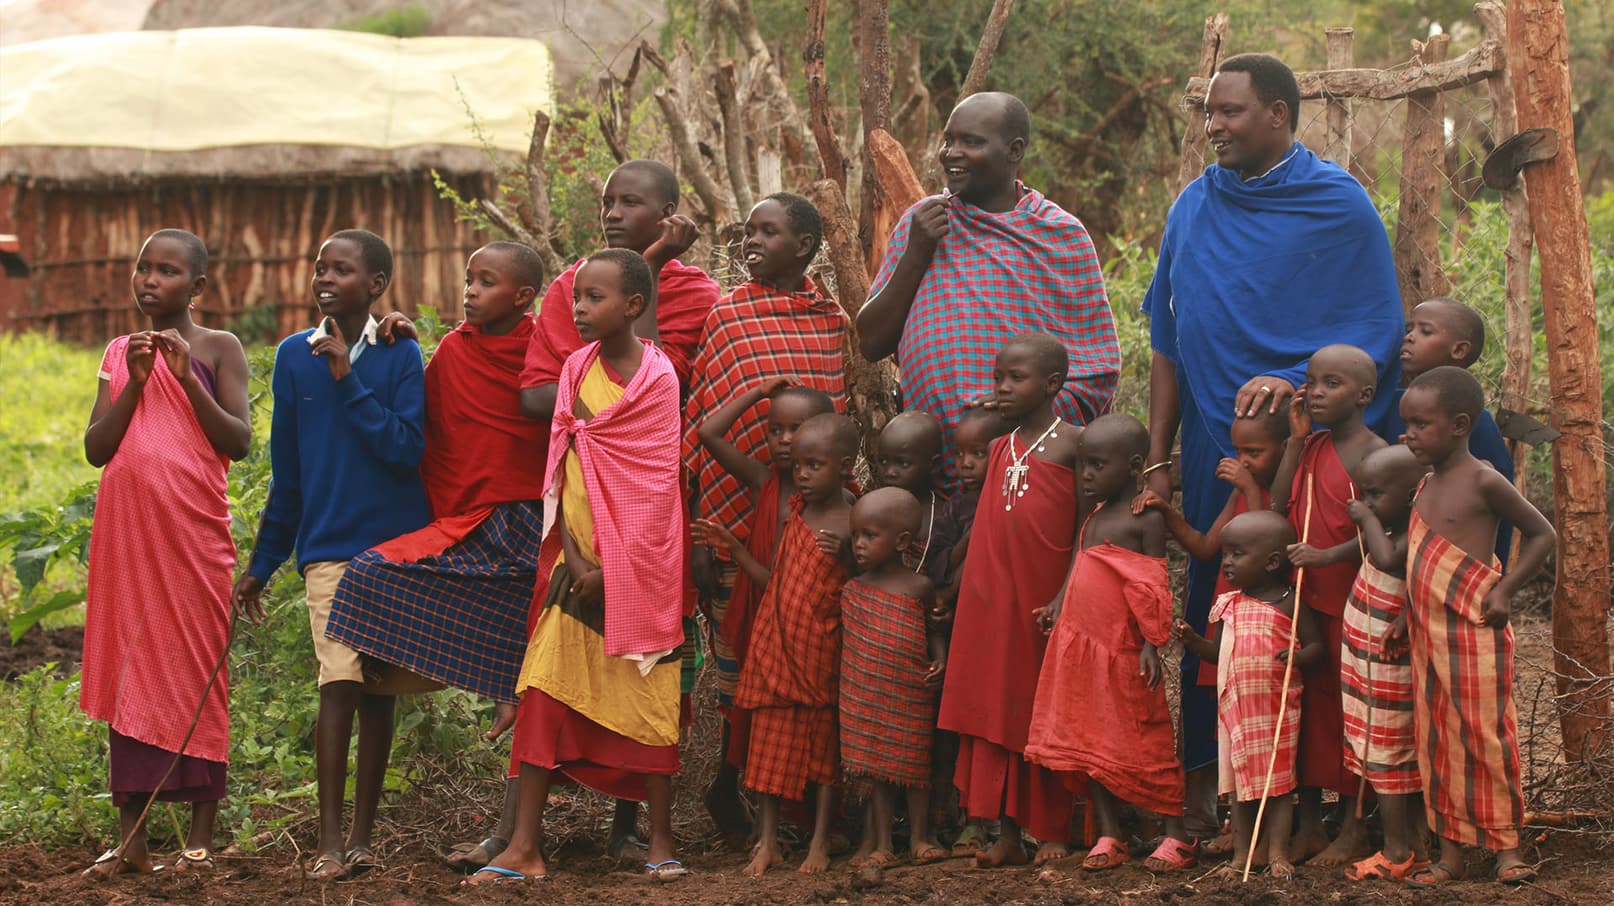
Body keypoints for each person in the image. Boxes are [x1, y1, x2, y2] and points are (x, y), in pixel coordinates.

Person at [1141, 52, 1403, 840]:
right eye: (1209, 114)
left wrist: (1294, 383)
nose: (1214, 127)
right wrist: (1157, 455)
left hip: (1306, 444)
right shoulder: (1195, 204)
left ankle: (1318, 799)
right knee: (1215, 603)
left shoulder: (1337, 204)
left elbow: (1377, 326)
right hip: (1212, 438)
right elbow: (1168, 341)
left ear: (1279, 114)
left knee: (1305, 607)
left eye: (1230, 112)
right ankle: (1207, 792)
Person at [321, 241, 549, 875]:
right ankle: (449, 683)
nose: (470, 290)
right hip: (471, 525)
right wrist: (403, 344)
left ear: (523, 297)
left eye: (486, 281)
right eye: (468, 279)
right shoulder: (452, 350)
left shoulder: (547, 349)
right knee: (369, 575)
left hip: (536, 529)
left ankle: (510, 835)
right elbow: (423, 425)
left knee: (536, 681)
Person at [467, 249, 689, 886]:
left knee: (649, 697)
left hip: (640, 571)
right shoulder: (574, 368)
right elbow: (564, 466)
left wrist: (614, 572)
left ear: (634, 306)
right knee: (541, 690)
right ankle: (524, 848)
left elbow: (657, 489)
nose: (580, 308)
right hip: (576, 560)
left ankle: (660, 841)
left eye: (595, 297)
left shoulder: (659, 378)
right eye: (577, 297)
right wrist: (574, 555)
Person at [233, 229, 432, 881]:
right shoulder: (294, 356)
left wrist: (348, 378)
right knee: (338, 681)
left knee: (378, 692)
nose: (323, 277)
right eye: (319, 267)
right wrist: (262, 564)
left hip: (395, 551)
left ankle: (363, 837)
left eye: (340, 269)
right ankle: (327, 841)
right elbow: (287, 472)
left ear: (375, 285)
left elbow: (405, 449)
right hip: (328, 552)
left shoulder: (401, 352)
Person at [79, 229, 251, 879]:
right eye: (143, 268)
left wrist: (185, 381)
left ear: (197, 286)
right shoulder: (120, 351)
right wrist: (137, 381)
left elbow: (238, 440)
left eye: (167, 271)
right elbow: (97, 448)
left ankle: (198, 841)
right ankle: (131, 840)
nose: (150, 280)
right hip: (127, 538)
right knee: (129, 668)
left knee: (195, 667)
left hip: (192, 537)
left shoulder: (219, 347)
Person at [683, 192, 848, 839]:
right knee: (744, 672)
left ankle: (794, 807)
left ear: (804, 246)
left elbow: (836, 415)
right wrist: (704, 529)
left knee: (805, 672)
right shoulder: (728, 316)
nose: (750, 242)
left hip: (808, 527)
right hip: (738, 515)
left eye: (767, 232)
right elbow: (705, 420)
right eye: (747, 232)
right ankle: (735, 788)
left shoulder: (830, 320)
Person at [859, 91, 1119, 488]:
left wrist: (1021, 411)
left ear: (1014, 151)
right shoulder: (922, 223)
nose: (952, 153)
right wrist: (916, 252)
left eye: (971, 142)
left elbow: (1097, 366)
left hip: (1028, 469)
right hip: (930, 470)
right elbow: (872, 342)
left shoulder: (1060, 234)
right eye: (948, 140)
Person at [1394, 366, 1555, 888]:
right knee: (1437, 742)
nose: (1408, 435)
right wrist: (1402, 615)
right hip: (1427, 636)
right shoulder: (1424, 485)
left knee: (1486, 737)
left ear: (1460, 425)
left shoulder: (1484, 479)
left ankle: (1508, 850)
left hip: (1474, 632)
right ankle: (1451, 855)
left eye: (1421, 425)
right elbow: (1420, 562)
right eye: (1406, 424)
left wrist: (1504, 591)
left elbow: (1542, 534)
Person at [937, 332, 1083, 868]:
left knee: (1041, 706)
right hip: (992, 603)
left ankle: (1054, 829)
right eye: (998, 377)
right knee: (998, 710)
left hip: (1043, 601)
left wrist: (1067, 594)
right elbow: (984, 532)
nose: (1002, 387)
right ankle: (1007, 834)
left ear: (1052, 384)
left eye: (1015, 378)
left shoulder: (1074, 444)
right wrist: (957, 592)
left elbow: (1086, 527)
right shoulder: (1000, 447)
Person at [1025, 414, 1194, 872]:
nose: (1086, 475)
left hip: (1124, 653)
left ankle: (1176, 835)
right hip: (1081, 649)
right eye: (1084, 464)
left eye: (1098, 465)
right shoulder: (1094, 517)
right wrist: (1058, 604)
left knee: (1146, 736)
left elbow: (1152, 585)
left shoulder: (1144, 518)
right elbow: (1082, 566)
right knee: (1089, 740)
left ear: (1135, 466)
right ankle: (1110, 833)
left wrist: (1152, 644)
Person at [690, 378, 836, 842]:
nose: (784, 440)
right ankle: (748, 802)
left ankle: (806, 820)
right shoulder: (764, 481)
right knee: (750, 710)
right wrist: (757, 394)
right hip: (760, 618)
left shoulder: (842, 504)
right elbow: (708, 434)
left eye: (797, 429)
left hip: (810, 629)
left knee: (809, 718)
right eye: (775, 429)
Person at [1269, 343, 1386, 863]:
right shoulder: (1311, 445)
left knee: (1354, 713)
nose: (1315, 393)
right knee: (1309, 713)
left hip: (1353, 603)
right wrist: (1295, 443)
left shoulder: (1373, 455)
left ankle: (1354, 826)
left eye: (1331, 384)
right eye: (1312, 382)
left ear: (1364, 395)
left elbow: (1385, 534)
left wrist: (1326, 555)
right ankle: (1310, 825)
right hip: (1306, 603)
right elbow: (1277, 506)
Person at [731, 413, 860, 877]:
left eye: (814, 465)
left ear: (844, 466)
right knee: (766, 753)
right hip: (776, 651)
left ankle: (820, 841)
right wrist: (736, 551)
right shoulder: (795, 512)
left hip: (822, 653)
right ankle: (768, 842)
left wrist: (847, 556)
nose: (801, 474)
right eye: (799, 465)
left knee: (824, 758)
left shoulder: (854, 519)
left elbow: (865, 584)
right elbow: (777, 579)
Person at [1173, 511, 1325, 880]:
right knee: (1239, 788)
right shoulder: (1229, 605)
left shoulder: (1290, 603)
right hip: (1236, 713)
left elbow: (1318, 647)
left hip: (1276, 713)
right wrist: (1194, 642)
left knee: (1278, 786)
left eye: (1237, 554)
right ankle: (1241, 856)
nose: (1226, 562)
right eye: (1225, 554)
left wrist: (1300, 657)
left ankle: (1277, 852)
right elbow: (1219, 654)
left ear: (1272, 562)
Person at [839, 487, 948, 867]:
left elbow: (933, 630)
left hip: (910, 691)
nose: (859, 544)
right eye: (855, 535)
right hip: (867, 696)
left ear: (901, 541)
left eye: (870, 536)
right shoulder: (853, 590)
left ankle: (920, 838)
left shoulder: (919, 586)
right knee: (877, 770)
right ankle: (883, 844)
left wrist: (940, 661)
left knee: (916, 766)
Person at [1339, 445, 1429, 882]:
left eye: (1375, 494)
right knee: (1384, 752)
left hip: (1387, 669)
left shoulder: (1410, 533)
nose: (1366, 502)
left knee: (1388, 755)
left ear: (1411, 496)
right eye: (1364, 494)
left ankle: (1397, 851)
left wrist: (1365, 518)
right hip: (1367, 665)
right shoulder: (1396, 526)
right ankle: (1416, 847)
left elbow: (1389, 559)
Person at [921, 405, 1008, 850]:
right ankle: (961, 818)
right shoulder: (954, 509)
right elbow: (939, 566)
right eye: (960, 455)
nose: (967, 464)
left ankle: (1002, 818)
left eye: (979, 454)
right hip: (958, 633)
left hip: (1000, 630)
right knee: (957, 727)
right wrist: (970, 541)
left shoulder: (1012, 502)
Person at [1385, 297, 1515, 566]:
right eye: (1409, 329)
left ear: (1458, 350)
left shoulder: (1475, 423)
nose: (1409, 337)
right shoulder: (1392, 404)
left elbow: (1500, 510)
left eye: (1425, 331)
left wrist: (1493, 576)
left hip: (1454, 564)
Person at [873, 411, 944, 569]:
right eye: (883, 461)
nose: (890, 472)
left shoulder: (943, 518)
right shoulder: (871, 508)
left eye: (903, 463)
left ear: (934, 465)